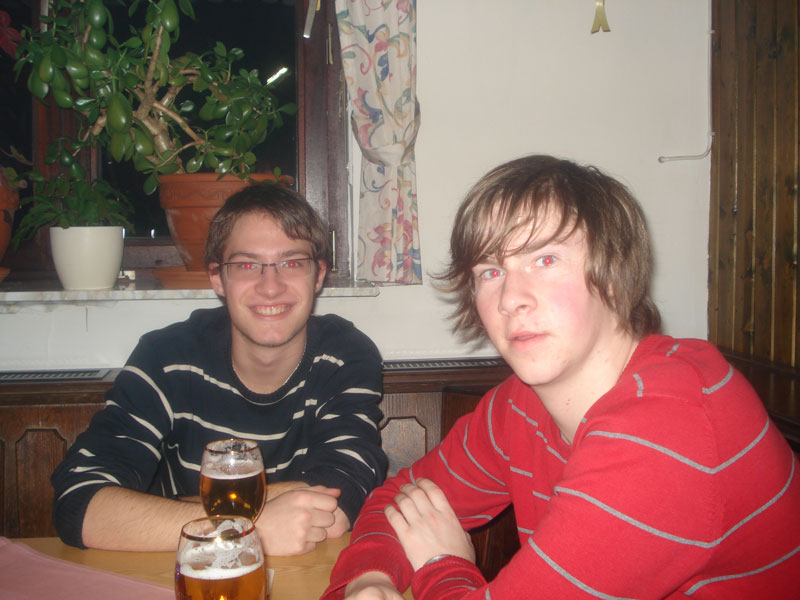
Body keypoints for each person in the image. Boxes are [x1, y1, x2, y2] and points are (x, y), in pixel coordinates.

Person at [323, 155, 800, 599]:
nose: (511, 298)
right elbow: (398, 500)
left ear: (612, 275)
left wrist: (442, 564)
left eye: (545, 260)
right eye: (490, 271)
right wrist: (370, 581)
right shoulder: (519, 404)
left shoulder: (670, 428)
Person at [51, 182, 387, 555]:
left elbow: (340, 501)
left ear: (319, 275)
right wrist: (247, 527)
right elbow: (79, 505)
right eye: (246, 265)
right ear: (217, 278)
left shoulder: (346, 356)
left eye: (291, 263)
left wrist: (182, 507)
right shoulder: (166, 357)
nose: (270, 287)